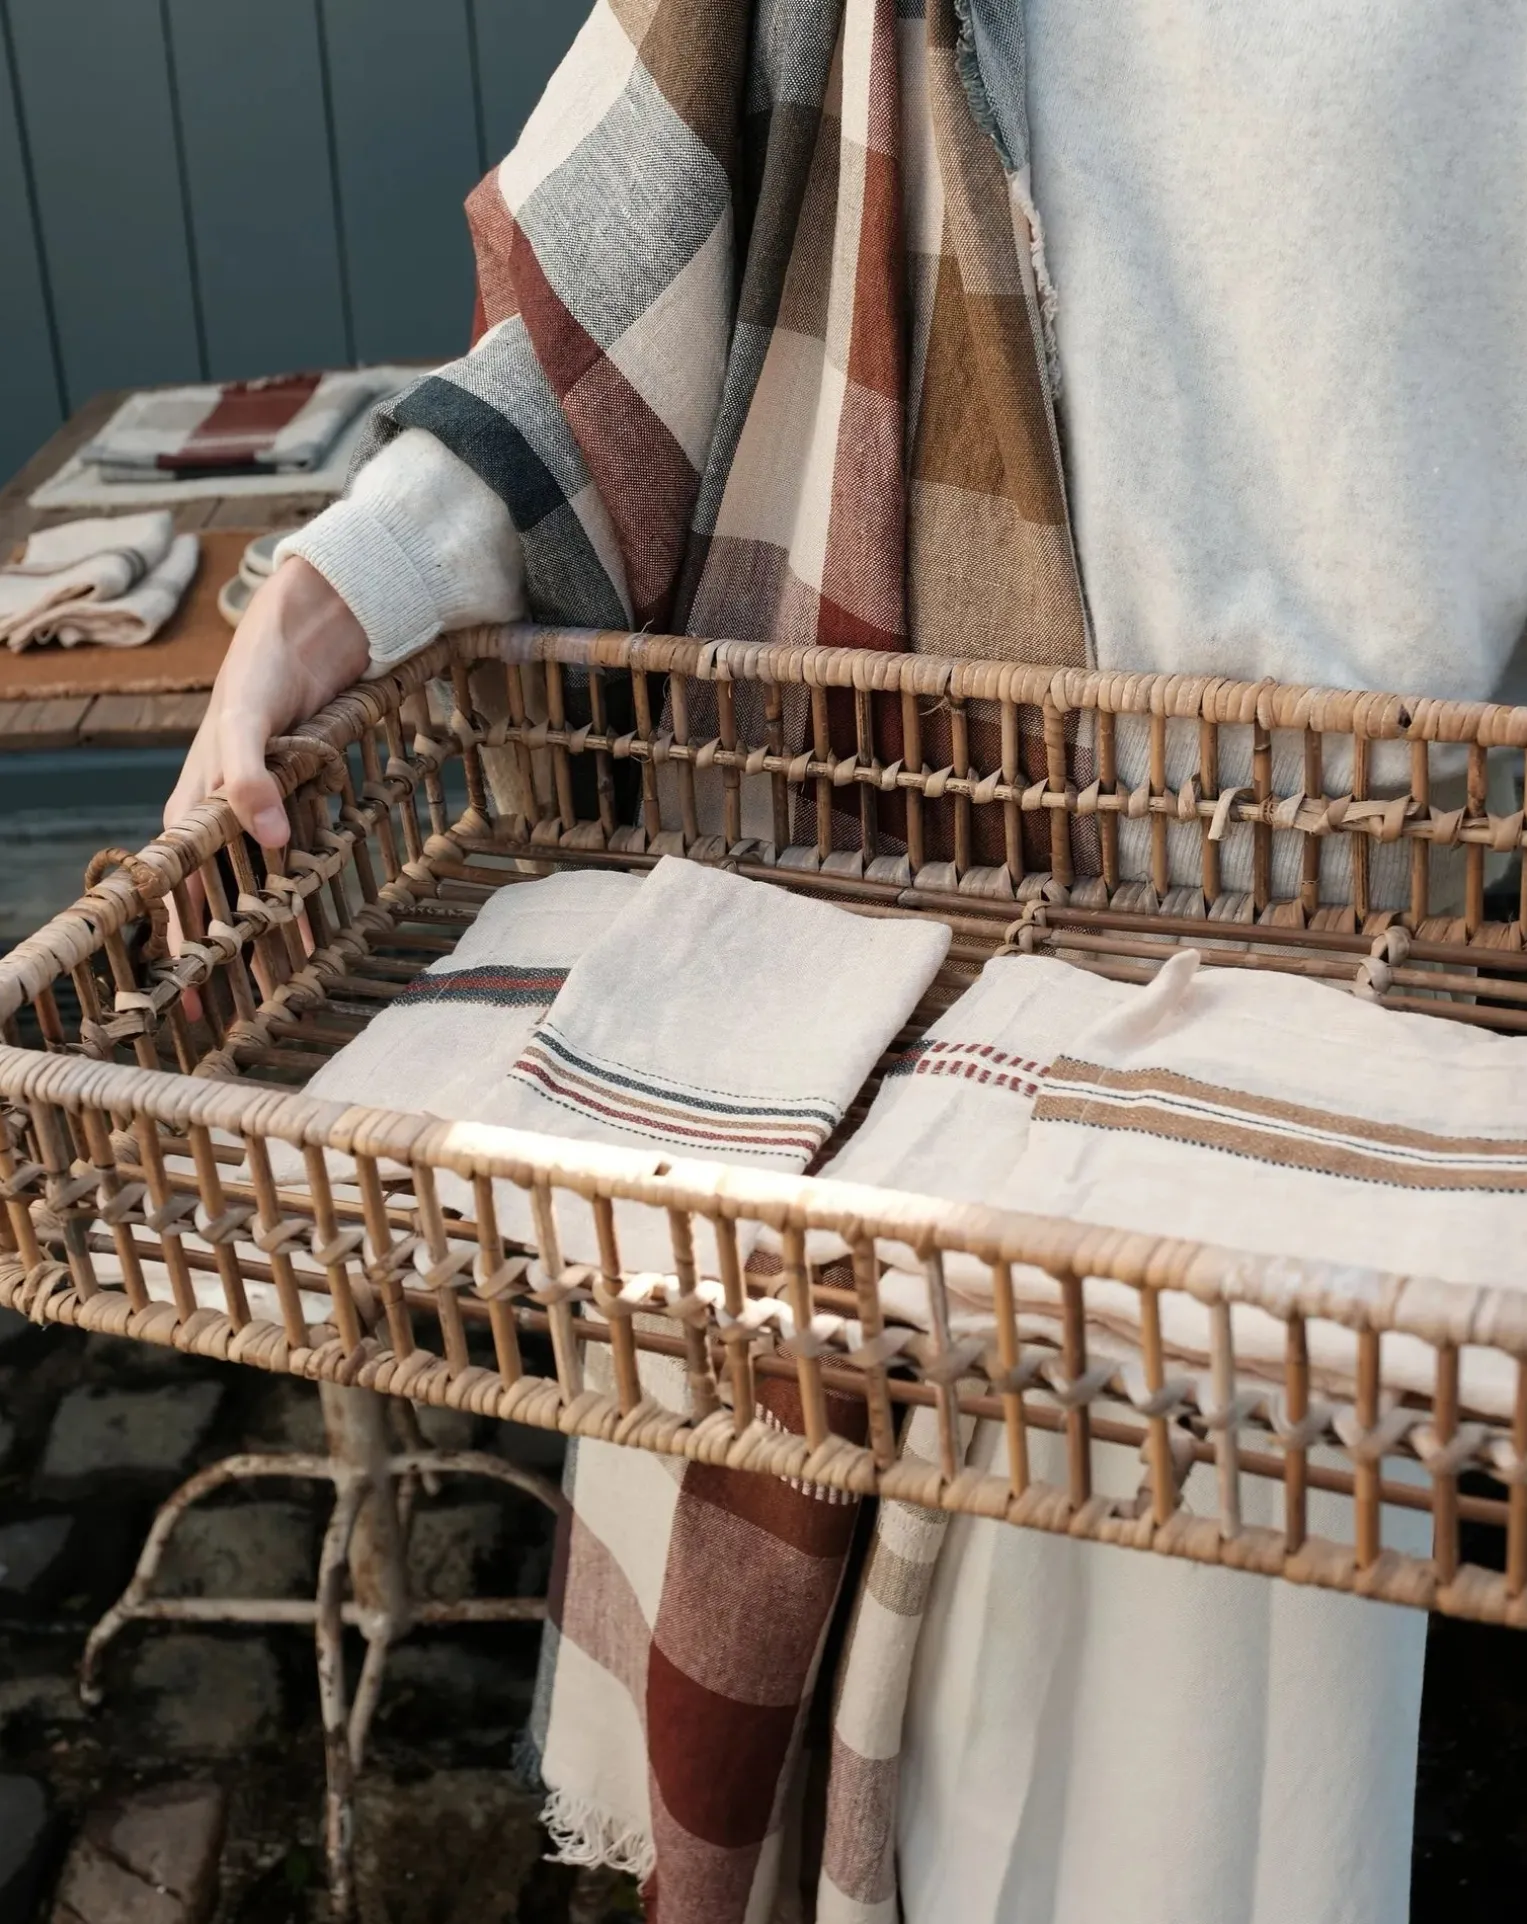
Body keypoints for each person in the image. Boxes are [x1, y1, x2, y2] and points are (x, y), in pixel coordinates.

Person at [165, 4, 1524, 1920]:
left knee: (1194, 1801)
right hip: (865, 921)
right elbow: (616, 302)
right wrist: (334, 592)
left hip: (1328, 1020)